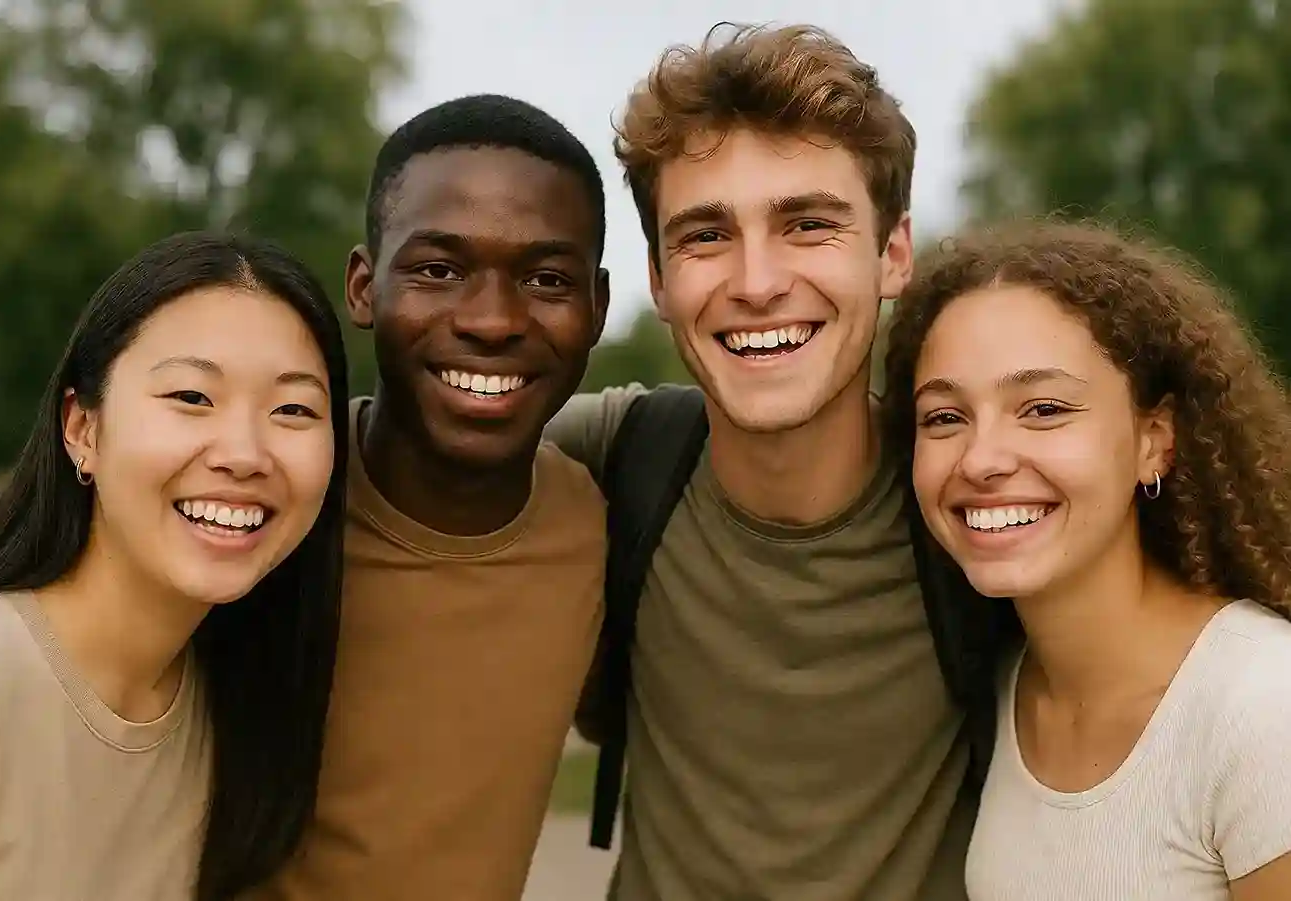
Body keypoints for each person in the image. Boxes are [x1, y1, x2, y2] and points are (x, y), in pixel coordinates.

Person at [545, 22, 995, 901]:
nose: (755, 281)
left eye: (807, 224)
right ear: (659, 279)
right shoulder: (613, 457)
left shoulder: (983, 498)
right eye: (705, 236)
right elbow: (334, 450)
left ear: (891, 254)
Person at [249, 94, 610, 901]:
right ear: (364, 285)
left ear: (599, 307)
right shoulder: (257, 507)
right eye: (439, 270)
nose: (490, 321)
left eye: (548, 278)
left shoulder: (599, 524)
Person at [882, 220, 1291, 901]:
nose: (981, 459)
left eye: (1041, 409)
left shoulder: (1260, 705)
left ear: (1151, 441)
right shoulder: (999, 683)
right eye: (944, 417)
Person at [0, 231, 350, 900]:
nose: (244, 453)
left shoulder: (244, 708)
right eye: (191, 397)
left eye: (293, 408)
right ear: (82, 429)